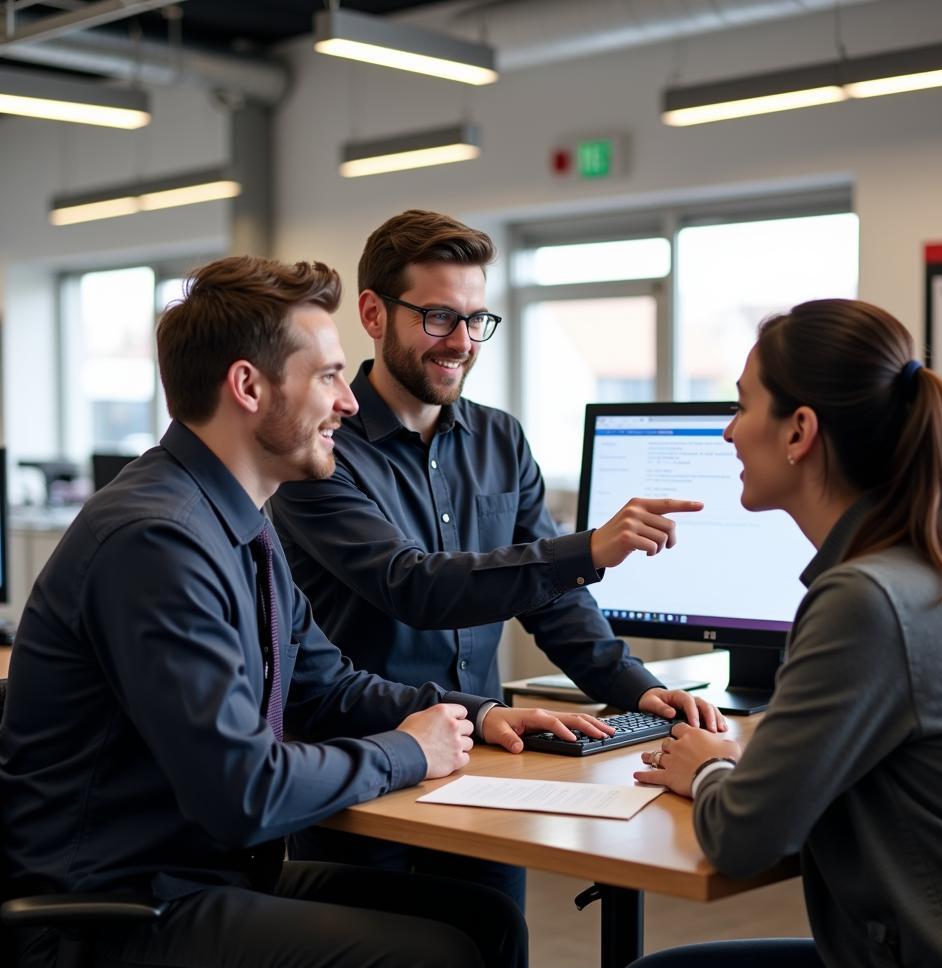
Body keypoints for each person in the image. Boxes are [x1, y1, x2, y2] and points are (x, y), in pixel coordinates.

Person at [0, 255, 614, 968]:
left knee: (481, 922)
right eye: (328, 376)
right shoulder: (157, 540)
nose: (350, 403)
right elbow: (244, 794)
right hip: (112, 918)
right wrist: (408, 751)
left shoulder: (239, 524)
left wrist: (471, 713)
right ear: (250, 387)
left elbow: (326, 685)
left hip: (204, 880)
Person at [557, 298, 942, 968]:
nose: (729, 431)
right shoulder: (938, 564)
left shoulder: (867, 599)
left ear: (800, 430)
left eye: (744, 406)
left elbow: (745, 839)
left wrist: (708, 767)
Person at [270, 209, 724, 904]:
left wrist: (634, 685)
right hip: (364, 773)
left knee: (492, 964)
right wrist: (588, 548)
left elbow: (551, 597)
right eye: (438, 318)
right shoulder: (324, 448)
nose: (461, 342)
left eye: (476, 320)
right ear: (373, 313)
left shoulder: (500, 439)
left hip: (482, 760)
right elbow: (412, 587)